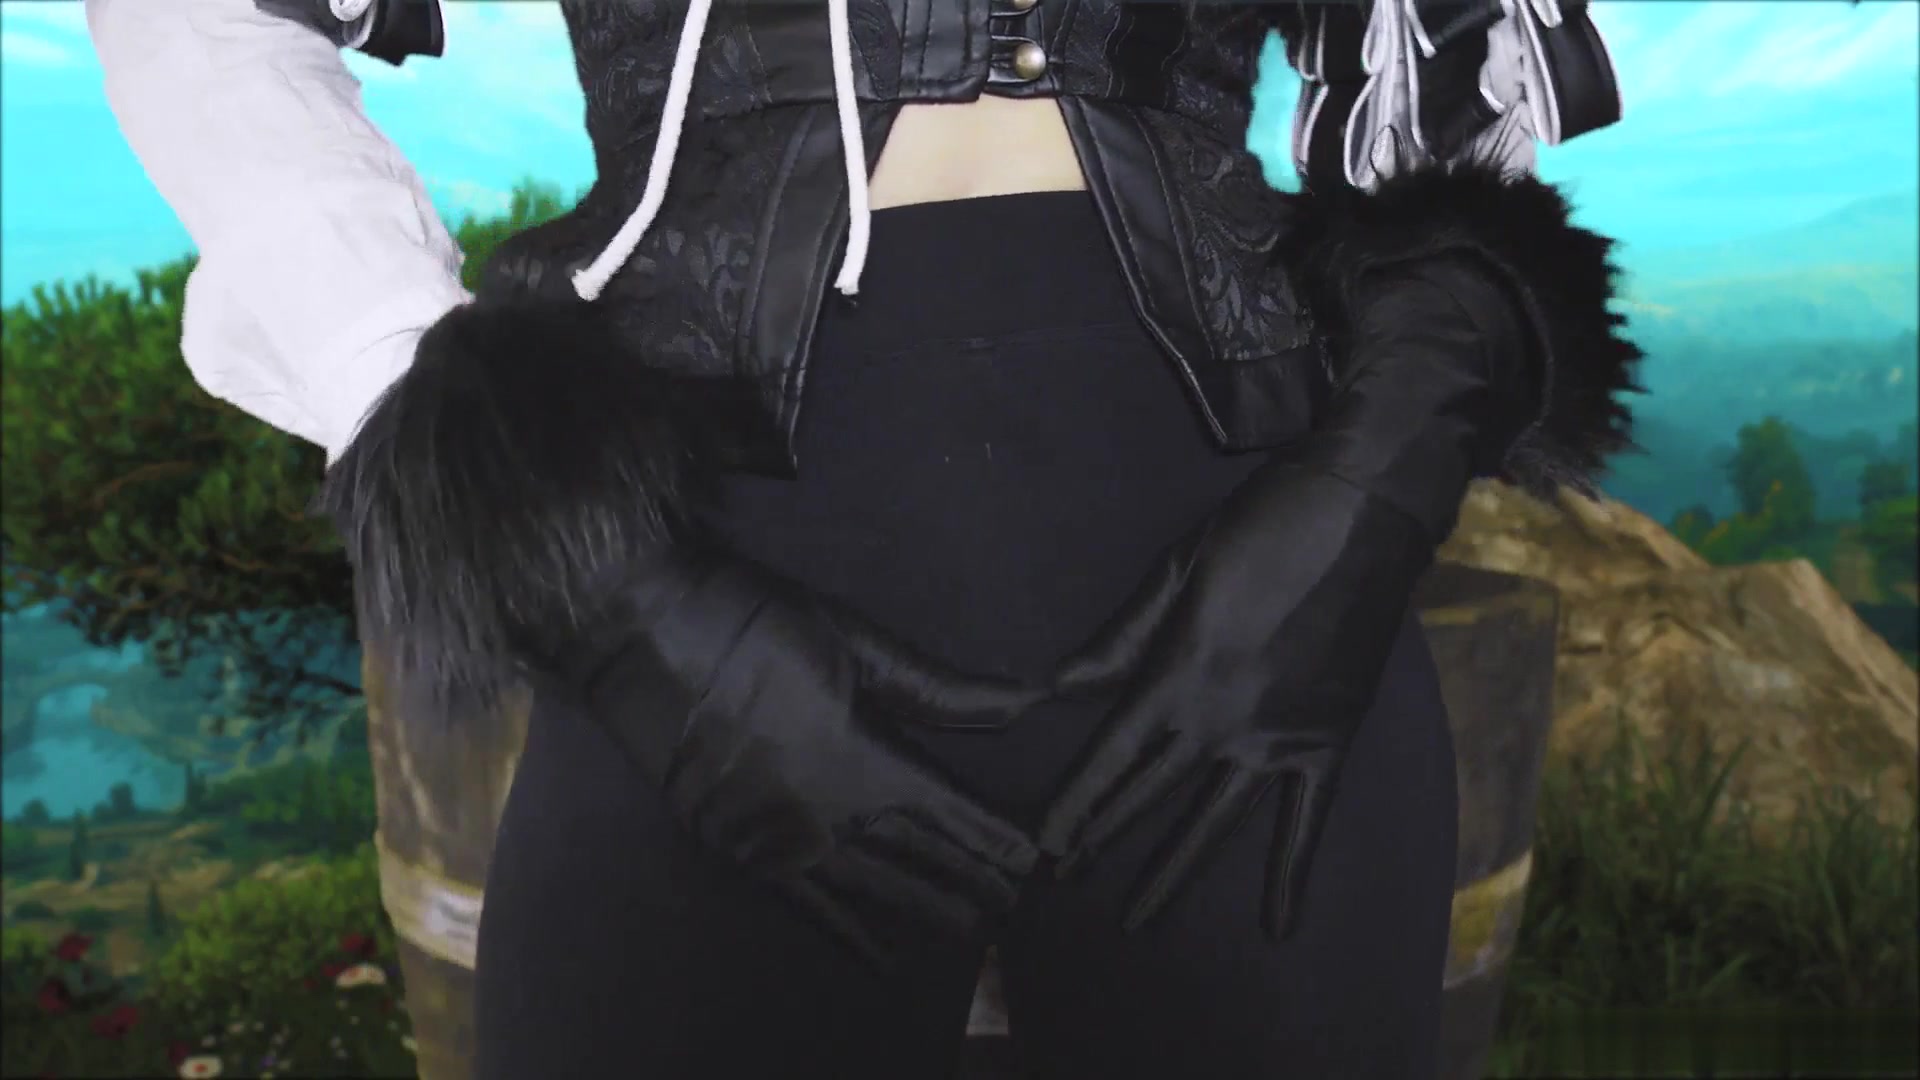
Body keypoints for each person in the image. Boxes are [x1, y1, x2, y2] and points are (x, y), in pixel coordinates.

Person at [90, 0, 1638, 1076]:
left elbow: (1445, 116)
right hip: (698, 589)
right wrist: (599, 589)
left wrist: (1371, 494)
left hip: (1266, 602)